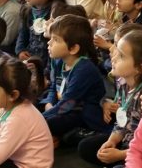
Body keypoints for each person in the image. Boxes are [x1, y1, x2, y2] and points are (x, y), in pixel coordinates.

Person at [79, 28, 142, 168]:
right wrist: (112, 141)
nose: (113, 58)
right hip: (127, 141)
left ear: (139, 68)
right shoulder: (123, 82)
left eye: (121, 56)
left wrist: (120, 155)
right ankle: (117, 165)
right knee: (86, 147)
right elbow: (122, 121)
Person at [40, 14, 106, 144]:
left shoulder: (84, 69)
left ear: (73, 48)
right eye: (51, 38)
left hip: (79, 113)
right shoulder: (59, 60)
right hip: (62, 107)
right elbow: (54, 87)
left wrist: (38, 119)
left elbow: (67, 105)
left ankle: (72, 134)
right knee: (32, 106)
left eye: (55, 40)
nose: (49, 42)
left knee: (46, 123)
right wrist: (49, 103)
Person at [16, 0, 65, 66]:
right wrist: (20, 50)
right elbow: (23, 32)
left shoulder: (56, 13)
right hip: (30, 57)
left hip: (48, 61)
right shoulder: (27, 10)